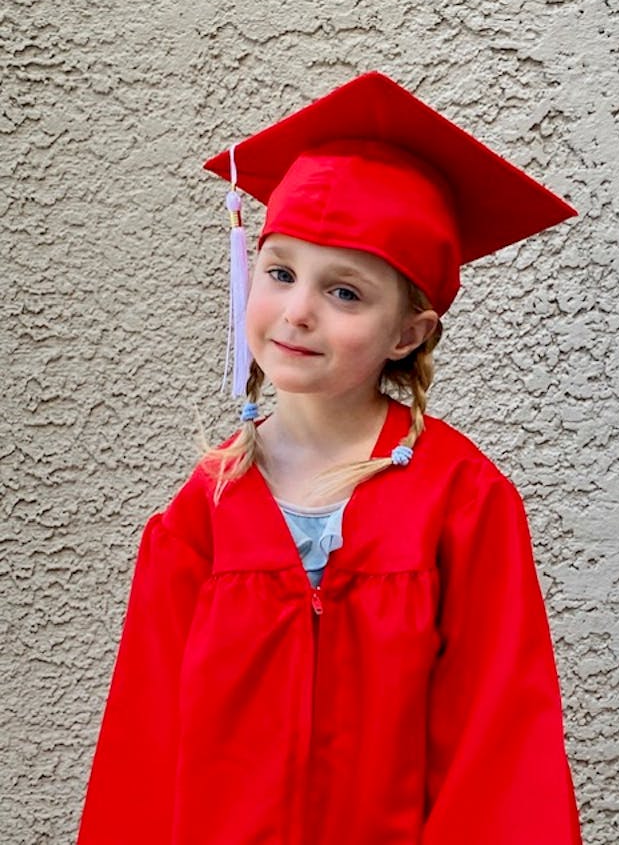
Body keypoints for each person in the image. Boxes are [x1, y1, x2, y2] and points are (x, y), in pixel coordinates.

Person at [76, 72, 583, 844]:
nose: (298, 310)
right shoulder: (206, 507)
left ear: (408, 333)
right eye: (279, 273)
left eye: (345, 292)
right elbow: (144, 750)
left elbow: (501, 749)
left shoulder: (463, 499)